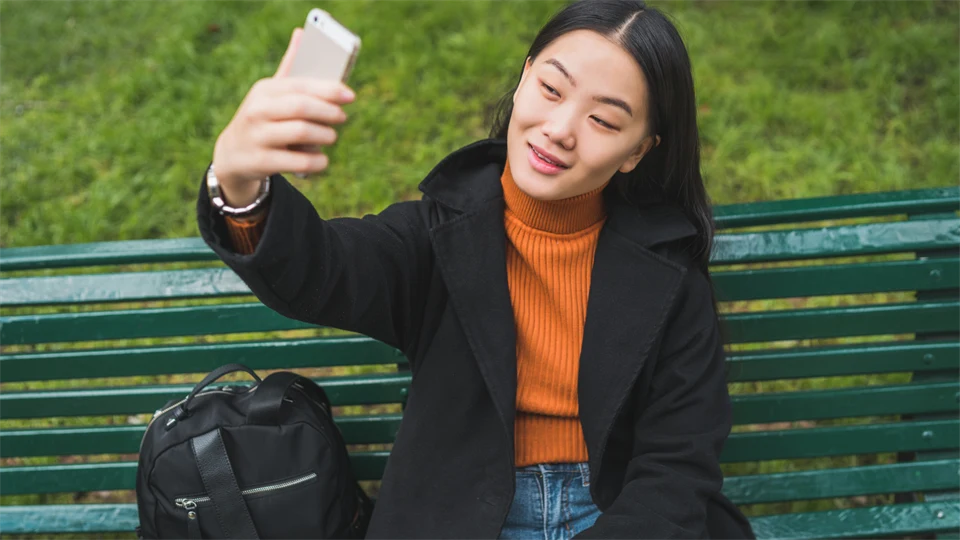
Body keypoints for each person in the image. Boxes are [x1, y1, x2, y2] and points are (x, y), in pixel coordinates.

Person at [196, 1, 756, 538]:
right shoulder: (437, 238)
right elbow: (318, 272)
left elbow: (678, 466)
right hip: (462, 511)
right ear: (524, 76)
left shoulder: (668, 269)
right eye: (551, 89)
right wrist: (241, 186)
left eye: (604, 121)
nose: (561, 128)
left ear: (638, 151)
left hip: (621, 516)